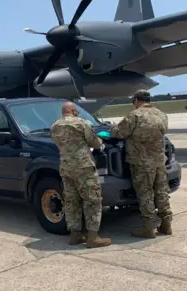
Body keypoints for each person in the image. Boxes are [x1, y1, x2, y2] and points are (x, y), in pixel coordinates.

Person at [109, 89, 173, 238]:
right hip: (159, 160)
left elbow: (119, 133)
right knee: (162, 192)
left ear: (136, 101)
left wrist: (112, 127)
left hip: (141, 162)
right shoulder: (161, 115)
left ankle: (149, 228)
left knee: (145, 194)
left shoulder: (134, 116)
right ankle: (166, 224)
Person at [50, 101, 111, 248]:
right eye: (75, 110)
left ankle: (75, 235)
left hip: (66, 168)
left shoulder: (54, 126)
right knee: (92, 200)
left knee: (71, 201)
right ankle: (93, 237)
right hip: (83, 167)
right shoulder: (81, 123)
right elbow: (94, 142)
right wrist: (101, 142)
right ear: (73, 111)